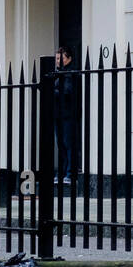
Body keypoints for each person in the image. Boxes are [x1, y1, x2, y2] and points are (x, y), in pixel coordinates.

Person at [52, 46, 80, 184]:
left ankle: (70, 173)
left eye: (60, 58)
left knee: (68, 144)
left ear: (69, 59)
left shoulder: (70, 74)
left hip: (68, 115)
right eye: (57, 58)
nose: (58, 61)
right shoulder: (58, 74)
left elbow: (68, 92)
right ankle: (62, 172)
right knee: (61, 145)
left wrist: (53, 91)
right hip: (58, 114)